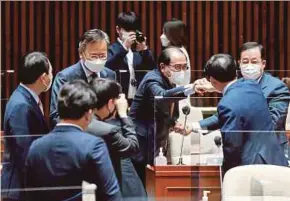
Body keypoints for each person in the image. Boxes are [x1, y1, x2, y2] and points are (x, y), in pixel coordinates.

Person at [177, 54, 288, 173]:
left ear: (212, 80)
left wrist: (228, 175)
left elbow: (232, 148)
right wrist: (193, 126)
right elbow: (236, 110)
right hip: (275, 160)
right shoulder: (252, 85)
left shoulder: (227, 104)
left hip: (252, 170)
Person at [25, 80, 122, 201]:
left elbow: (30, 194)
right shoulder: (94, 146)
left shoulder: (36, 146)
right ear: (88, 114)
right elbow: (111, 194)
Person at [194, 42, 290, 158]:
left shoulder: (277, 87)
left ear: (263, 64)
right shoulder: (236, 85)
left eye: (254, 62)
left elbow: (272, 123)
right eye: (245, 62)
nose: (249, 66)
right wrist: (196, 126)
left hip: (271, 153)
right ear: (239, 64)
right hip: (243, 154)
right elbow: (226, 114)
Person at [129, 47, 199, 184]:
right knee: (141, 187)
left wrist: (173, 123)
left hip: (157, 139)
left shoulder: (170, 81)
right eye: (177, 67)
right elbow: (161, 96)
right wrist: (192, 88)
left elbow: (164, 110)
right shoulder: (152, 80)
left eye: (185, 67)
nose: (182, 72)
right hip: (141, 143)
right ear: (162, 67)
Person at [1, 52, 52, 201]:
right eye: (50, 72)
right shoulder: (21, 105)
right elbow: (25, 151)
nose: (51, 76)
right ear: (43, 78)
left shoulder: (25, 98)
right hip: (19, 190)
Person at [87, 78, 146, 200]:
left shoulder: (82, 122)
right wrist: (124, 115)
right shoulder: (107, 131)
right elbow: (133, 146)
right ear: (110, 103)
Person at [50, 29, 116, 128]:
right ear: (81, 53)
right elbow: (56, 116)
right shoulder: (65, 77)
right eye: (93, 56)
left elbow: (113, 110)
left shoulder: (110, 75)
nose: (98, 60)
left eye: (102, 56)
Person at [106, 11, 156, 101]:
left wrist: (144, 50)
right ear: (118, 30)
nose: (131, 34)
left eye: (134, 30)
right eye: (128, 30)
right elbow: (107, 68)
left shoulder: (139, 50)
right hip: (118, 98)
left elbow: (152, 70)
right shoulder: (112, 49)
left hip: (139, 100)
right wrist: (124, 47)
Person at [160, 19, 191, 85]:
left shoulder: (175, 53)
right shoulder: (180, 49)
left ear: (172, 35)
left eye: (164, 33)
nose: (161, 36)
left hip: (175, 93)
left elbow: (178, 80)